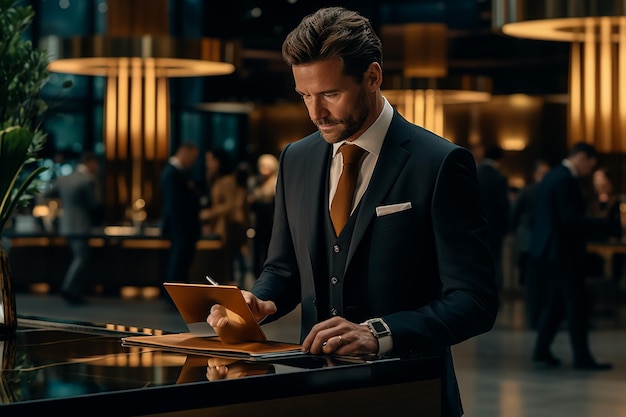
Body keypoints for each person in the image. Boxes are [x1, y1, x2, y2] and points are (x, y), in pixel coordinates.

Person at [207, 7, 498, 417]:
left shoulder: (439, 163)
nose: (315, 113)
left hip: (409, 395)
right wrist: (260, 300)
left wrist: (378, 333)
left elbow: (475, 301)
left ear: (373, 77)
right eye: (305, 95)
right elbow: (284, 269)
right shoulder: (296, 158)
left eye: (329, 94)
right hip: (313, 394)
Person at [529, 142, 612, 370]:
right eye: (590, 165)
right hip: (563, 251)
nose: (589, 171)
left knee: (556, 303)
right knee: (576, 303)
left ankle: (542, 349)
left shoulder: (552, 175)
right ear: (583, 157)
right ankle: (582, 357)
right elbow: (570, 219)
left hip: (548, 250)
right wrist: (604, 225)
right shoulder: (565, 179)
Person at [42, 151, 102, 305]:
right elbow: (94, 204)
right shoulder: (88, 179)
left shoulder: (64, 179)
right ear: (91, 163)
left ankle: (73, 290)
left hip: (66, 225)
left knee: (78, 257)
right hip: (81, 225)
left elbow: (44, 194)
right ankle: (68, 289)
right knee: (81, 258)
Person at [509, 159, 550, 328]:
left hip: (529, 242)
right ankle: (536, 317)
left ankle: (534, 317)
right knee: (535, 282)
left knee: (532, 283)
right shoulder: (542, 192)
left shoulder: (528, 191)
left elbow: (514, 214)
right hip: (535, 243)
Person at [160, 141, 201, 285]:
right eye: (193, 157)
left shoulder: (178, 172)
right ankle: (174, 295)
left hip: (182, 227)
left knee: (181, 261)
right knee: (178, 261)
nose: (193, 161)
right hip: (181, 227)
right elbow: (174, 204)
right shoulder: (172, 172)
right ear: (184, 152)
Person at [475, 144, 510, 292]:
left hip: (474, 224)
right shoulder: (499, 178)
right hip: (494, 227)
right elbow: (503, 207)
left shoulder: (474, 172)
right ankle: (494, 294)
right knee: (495, 261)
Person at [249, 153, 279, 277]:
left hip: (271, 219)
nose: (263, 170)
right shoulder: (257, 182)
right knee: (257, 249)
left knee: (269, 248)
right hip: (258, 220)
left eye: (266, 167)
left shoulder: (276, 182)